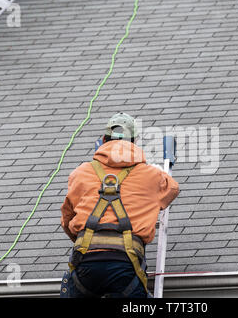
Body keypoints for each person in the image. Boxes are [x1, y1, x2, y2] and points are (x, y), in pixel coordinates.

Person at [60, 112, 179, 298]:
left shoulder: (81, 173)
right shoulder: (150, 176)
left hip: (86, 261)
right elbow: (172, 189)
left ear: (103, 140)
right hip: (126, 263)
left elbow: (67, 220)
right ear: (134, 142)